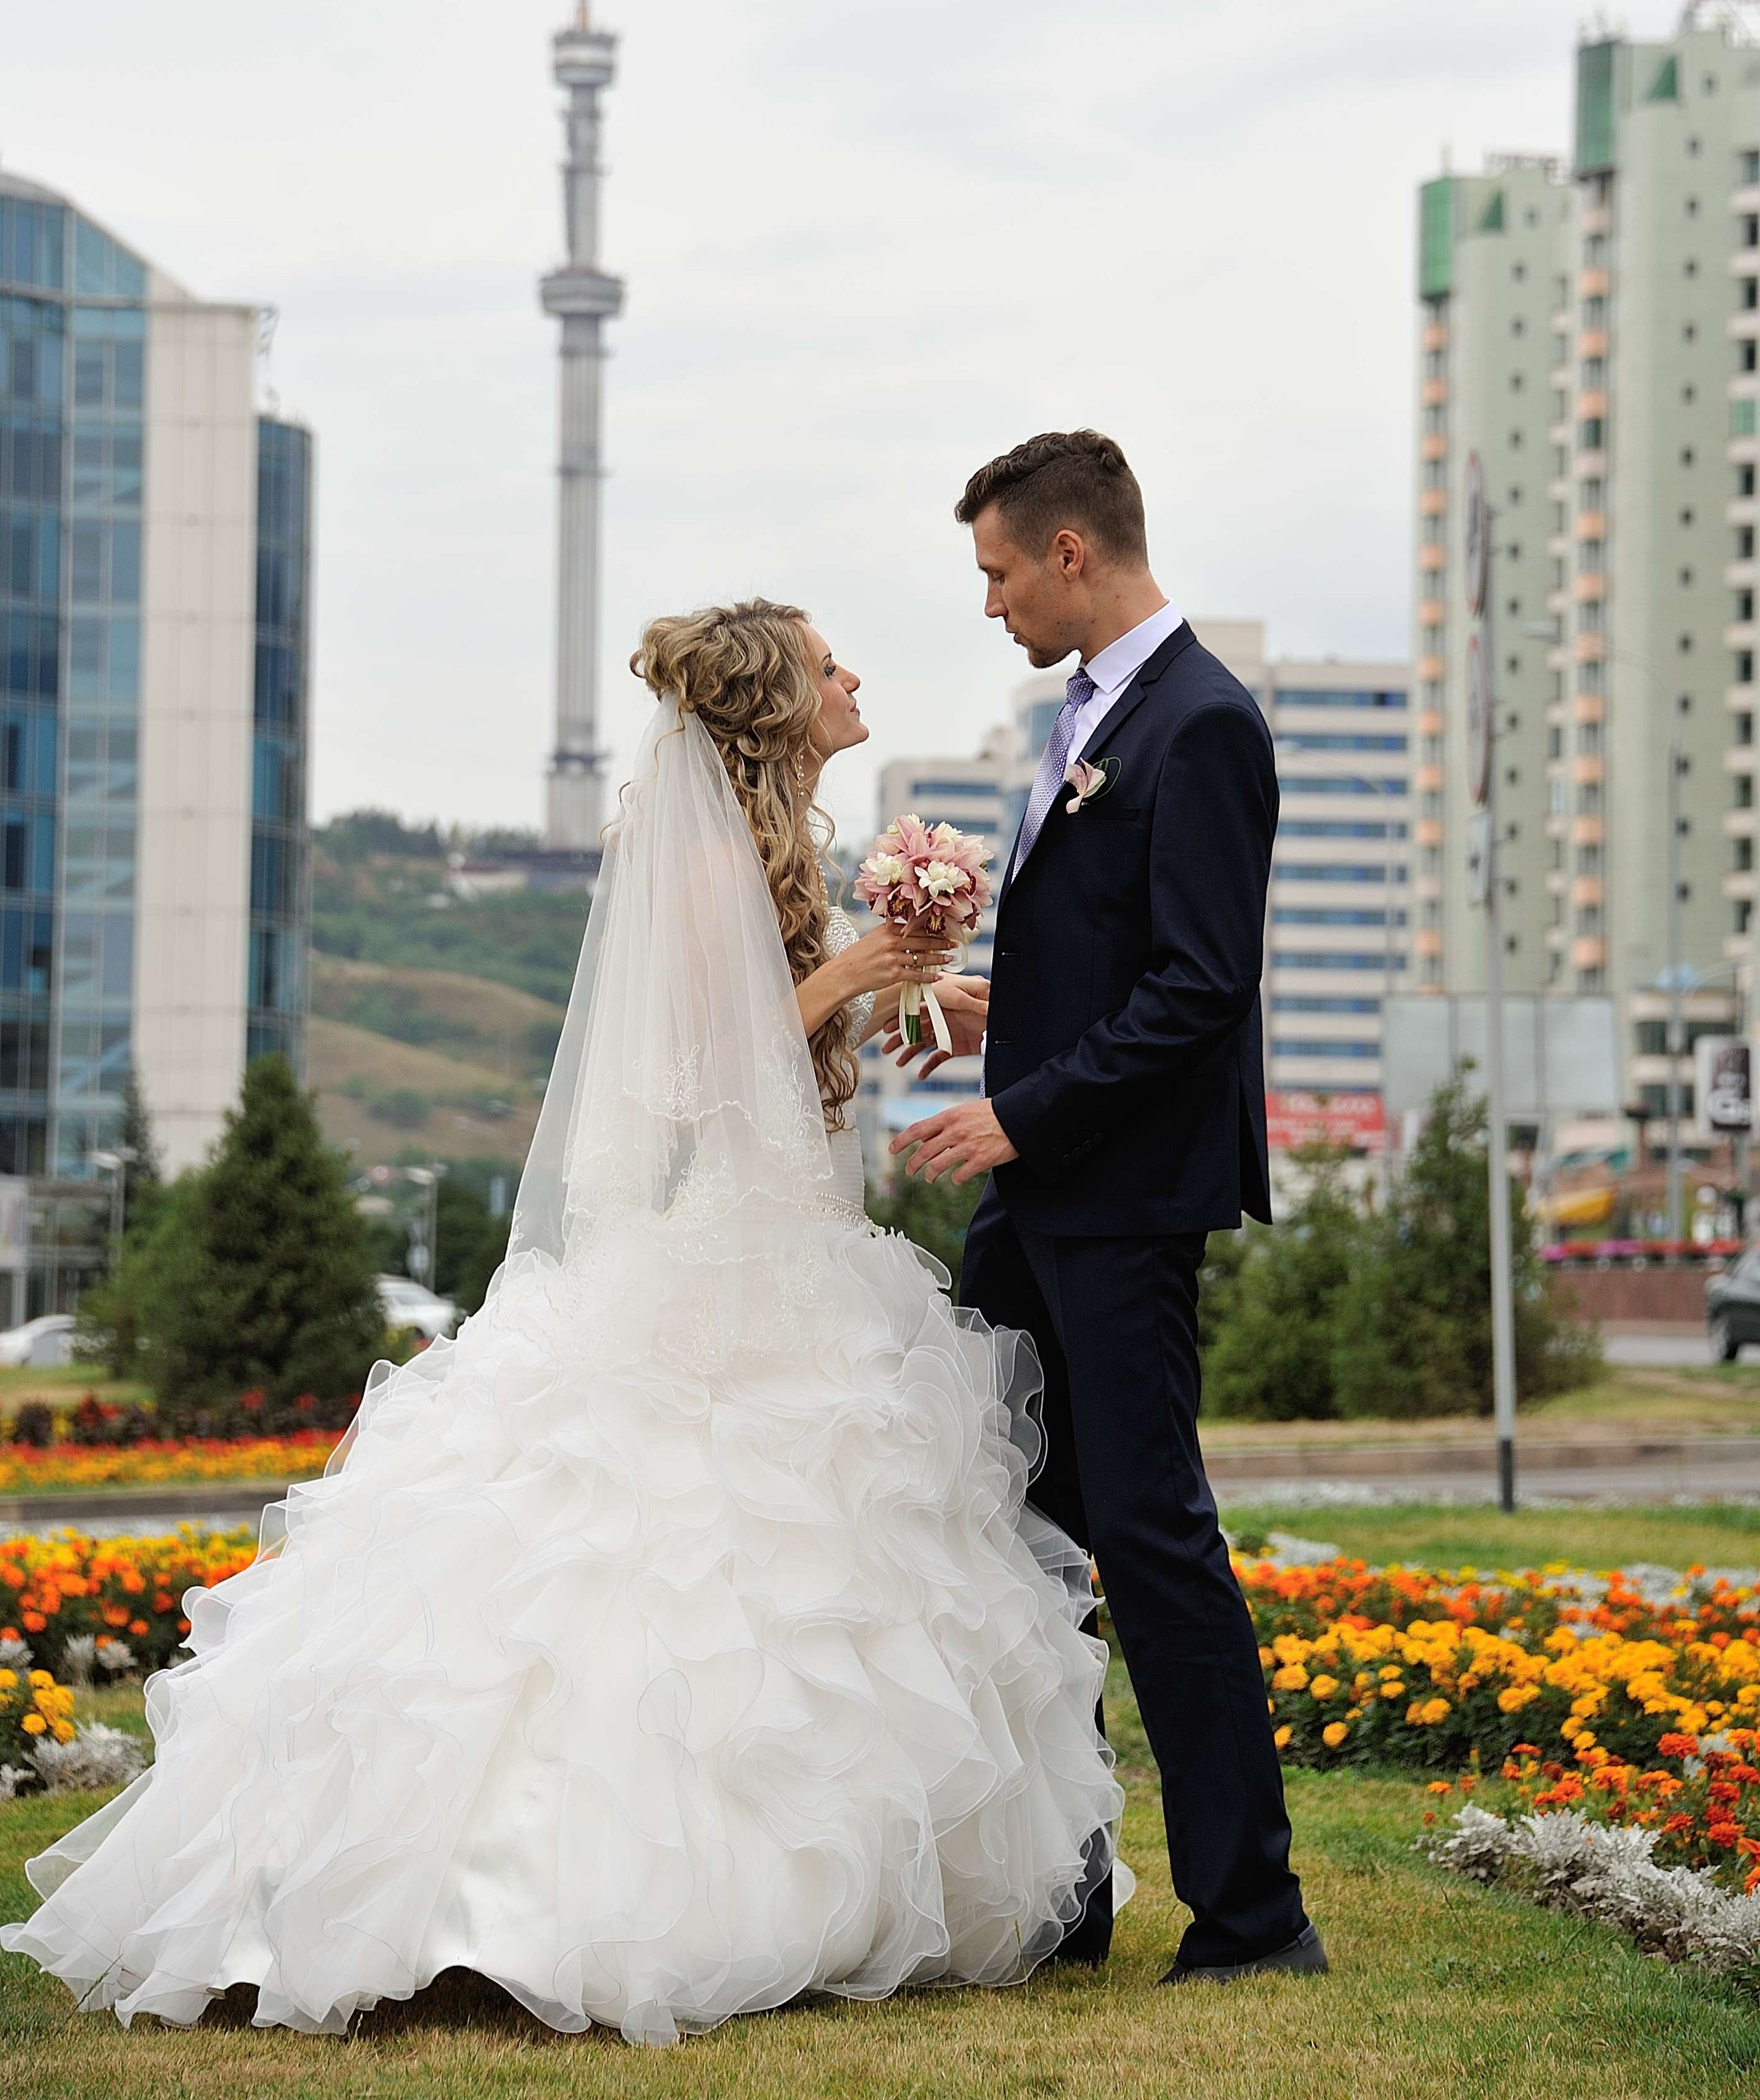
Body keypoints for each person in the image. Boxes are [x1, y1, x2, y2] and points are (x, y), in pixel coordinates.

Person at [2, 601, 1128, 2046]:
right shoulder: (701, 850)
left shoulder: (774, 847)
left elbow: (780, 1041)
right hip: (722, 1263)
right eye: (827, 663)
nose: (853, 677)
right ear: (773, 705)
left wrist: (908, 1003)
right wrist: (852, 975)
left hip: (796, 1242)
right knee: (655, 1560)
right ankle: (526, 1898)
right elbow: (691, 1067)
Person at [891, 432, 1325, 1985]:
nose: (992, 603)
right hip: (1037, 1203)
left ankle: (1254, 1919)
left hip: (1122, 1204)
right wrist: (982, 1018)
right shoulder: (1090, 714)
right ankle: (1057, 1891)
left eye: (1000, 571)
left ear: (1070, 552)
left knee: (1148, 1540)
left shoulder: (1200, 721)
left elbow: (1199, 989)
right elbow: (1100, 961)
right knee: (1012, 1527)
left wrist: (1021, 1111)